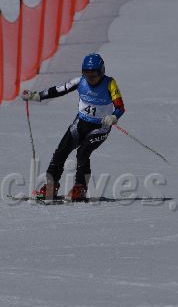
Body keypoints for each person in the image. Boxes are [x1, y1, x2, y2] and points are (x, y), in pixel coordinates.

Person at [21, 53, 125, 201]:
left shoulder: (110, 83)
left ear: (101, 72)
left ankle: (80, 188)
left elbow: (120, 107)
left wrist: (114, 117)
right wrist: (37, 96)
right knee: (61, 151)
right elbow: (58, 90)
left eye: (94, 75)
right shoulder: (80, 81)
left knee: (83, 152)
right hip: (81, 123)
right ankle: (51, 186)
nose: (90, 79)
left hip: (100, 128)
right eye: (87, 74)